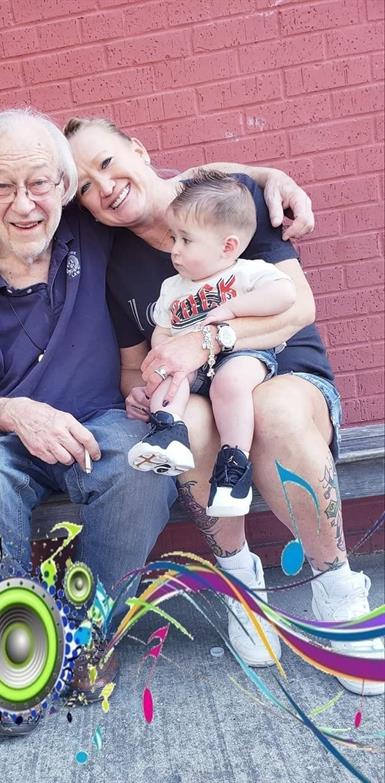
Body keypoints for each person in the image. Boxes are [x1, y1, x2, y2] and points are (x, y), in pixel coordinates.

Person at [64, 116, 384, 694]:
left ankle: (337, 588)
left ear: (137, 148)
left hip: (284, 366)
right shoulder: (117, 265)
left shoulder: (227, 199)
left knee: (274, 413)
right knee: (181, 422)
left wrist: (210, 339)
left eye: (106, 162)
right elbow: (136, 364)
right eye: (85, 185)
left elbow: (298, 306)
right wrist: (141, 387)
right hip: (200, 394)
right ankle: (241, 582)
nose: (103, 185)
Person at [0, 108, 179, 720]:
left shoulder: (90, 234)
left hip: (101, 421)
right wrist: (16, 412)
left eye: (39, 183)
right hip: (13, 438)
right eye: (3, 186)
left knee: (145, 462)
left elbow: (167, 190)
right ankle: (16, 642)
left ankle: (90, 634)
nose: (24, 205)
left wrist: (263, 178)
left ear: (65, 188)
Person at [128, 171, 296, 521]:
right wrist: (163, 359)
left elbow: (285, 294)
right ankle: (167, 433)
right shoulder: (172, 288)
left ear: (228, 246)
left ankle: (234, 465)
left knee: (230, 383)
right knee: (169, 378)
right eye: (174, 238)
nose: (174, 250)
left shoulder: (247, 273)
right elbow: (163, 331)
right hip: (194, 363)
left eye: (186, 240)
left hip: (242, 354)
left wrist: (233, 309)